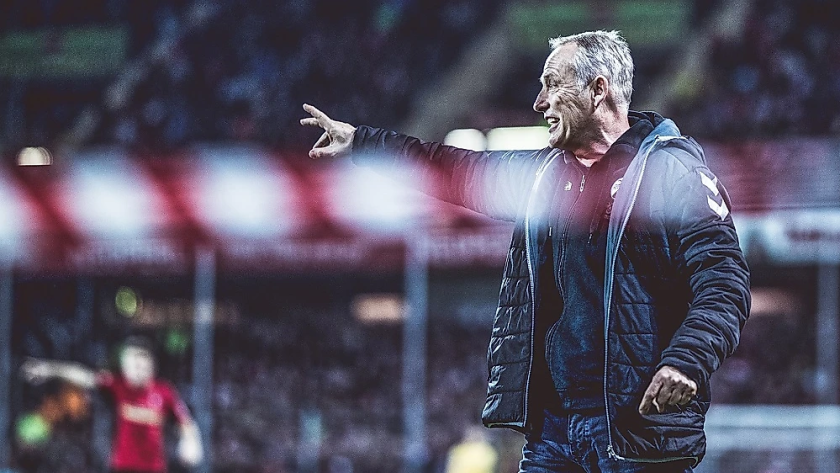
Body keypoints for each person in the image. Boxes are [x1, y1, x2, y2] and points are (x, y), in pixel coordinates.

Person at [301, 30, 750, 472]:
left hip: (637, 432)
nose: (539, 102)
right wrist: (363, 143)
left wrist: (687, 361)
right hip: (553, 434)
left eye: (552, 84)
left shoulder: (672, 172)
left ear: (598, 90)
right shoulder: (542, 176)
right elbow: (452, 168)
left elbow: (725, 284)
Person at [21, 336, 203, 473]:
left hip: (153, 468)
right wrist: (50, 369)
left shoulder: (164, 392)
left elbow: (186, 422)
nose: (135, 370)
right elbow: (84, 376)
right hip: (122, 467)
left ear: (150, 366)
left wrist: (191, 442)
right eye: (131, 365)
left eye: (140, 365)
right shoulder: (117, 386)